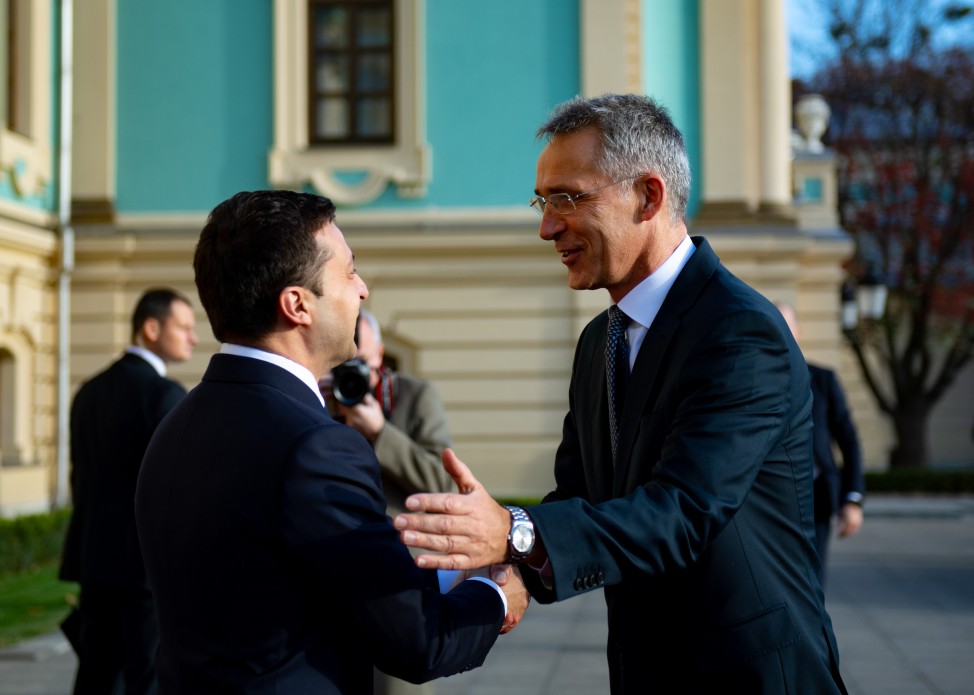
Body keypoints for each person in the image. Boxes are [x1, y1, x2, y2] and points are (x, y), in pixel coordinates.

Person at [395, 94, 848, 693]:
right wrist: (509, 566)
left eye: (568, 198)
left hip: (753, 677)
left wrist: (514, 531)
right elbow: (581, 495)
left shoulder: (740, 331)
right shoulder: (599, 340)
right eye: (542, 201)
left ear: (648, 197)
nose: (547, 226)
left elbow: (683, 510)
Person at [134, 190, 527, 694]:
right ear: (297, 304)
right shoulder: (317, 446)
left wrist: (453, 568)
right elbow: (419, 640)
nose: (362, 289)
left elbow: (283, 581)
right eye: (349, 272)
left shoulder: (176, 423)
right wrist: (497, 593)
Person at [60, 287, 198, 695]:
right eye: (184, 327)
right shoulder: (164, 394)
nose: (193, 338)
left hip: (94, 561)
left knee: (96, 676)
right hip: (145, 568)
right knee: (148, 678)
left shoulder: (88, 391)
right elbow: (177, 489)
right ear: (151, 328)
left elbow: (80, 479)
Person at [324, 310, 454, 695]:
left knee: (398, 685)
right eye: (342, 365)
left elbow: (442, 482)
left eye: (360, 364)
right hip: (330, 565)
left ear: (380, 353)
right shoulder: (318, 398)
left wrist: (381, 433)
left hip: (399, 572)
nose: (352, 375)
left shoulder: (414, 396)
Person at [777, 301, 865, 587]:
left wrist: (853, 499)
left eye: (787, 327)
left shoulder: (824, 380)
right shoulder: (752, 379)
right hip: (770, 496)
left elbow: (849, 440)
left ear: (798, 332)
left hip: (816, 495)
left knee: (812, 581)